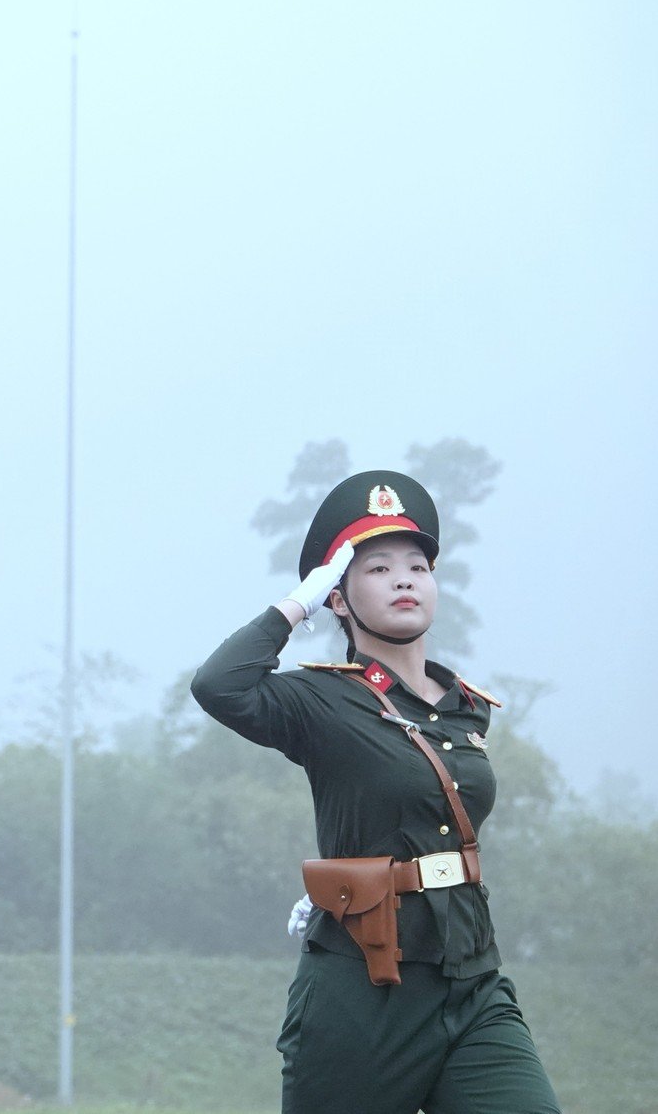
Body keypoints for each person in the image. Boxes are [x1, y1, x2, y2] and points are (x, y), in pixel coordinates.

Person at [191, 471, 560, 1114]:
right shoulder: (320, 700)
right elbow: (220, 686)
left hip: (472, 982)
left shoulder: (465, 709)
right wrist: (297, 603)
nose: (403, 579)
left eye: (417, 565)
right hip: (362, 993)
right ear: (340, 597)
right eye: (377, 568)